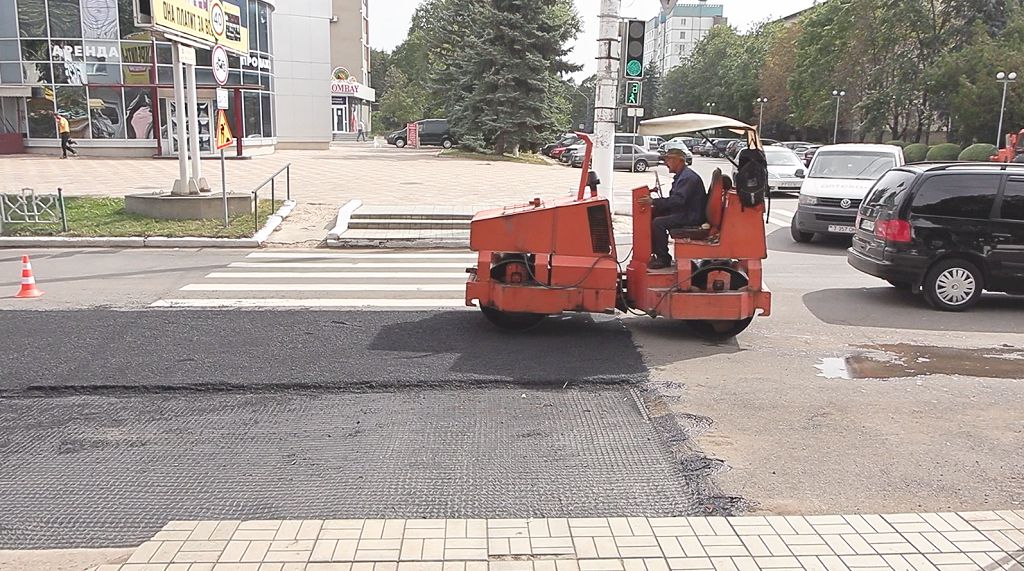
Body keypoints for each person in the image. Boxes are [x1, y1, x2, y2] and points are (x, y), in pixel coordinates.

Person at [638, 147, 707, 269]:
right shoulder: (683, 176)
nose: (666, 163)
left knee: (658, 223)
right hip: (686, 211)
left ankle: (663, 258)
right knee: (655, 212)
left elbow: (678, 200)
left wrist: (654, 201)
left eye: (668, 159)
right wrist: (656, 203)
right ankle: (654, 251)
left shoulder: (687, 178)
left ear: (679, 161)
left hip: (691, 215)